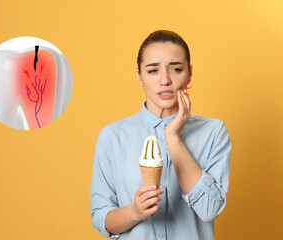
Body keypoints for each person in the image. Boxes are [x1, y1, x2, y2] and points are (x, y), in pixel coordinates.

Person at [90, 30, 231, 240]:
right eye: (153, 70)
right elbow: (101, 216)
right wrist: (135, 212)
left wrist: (173, 137)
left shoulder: (213, 132)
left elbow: (209, 209)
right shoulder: (112, 136)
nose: (164, 80)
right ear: (139, 75)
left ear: (189, 73)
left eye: (176, 69)